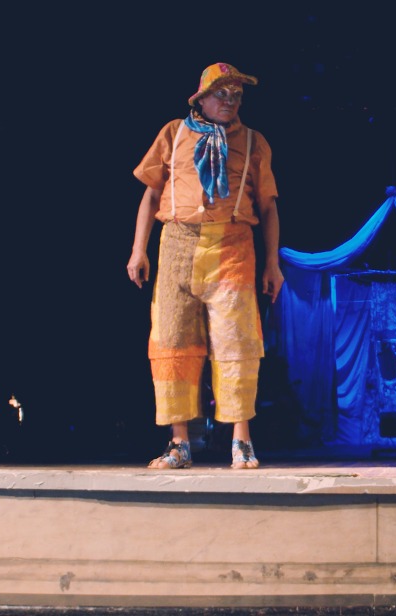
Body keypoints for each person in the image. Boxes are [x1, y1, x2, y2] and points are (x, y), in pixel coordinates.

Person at [127, 62, 282, 470]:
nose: (230, 102)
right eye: (221, 94)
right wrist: (138, 250)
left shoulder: (253, 142)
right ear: (201, 98)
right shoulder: (173, 132)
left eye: (237, 96)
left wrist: (273, 262)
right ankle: (179, 442)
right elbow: (151, 194)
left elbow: (268, 207)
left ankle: (241, 440)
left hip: (233, 245)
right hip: (177, 243)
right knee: (172, 341)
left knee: (237, 343)